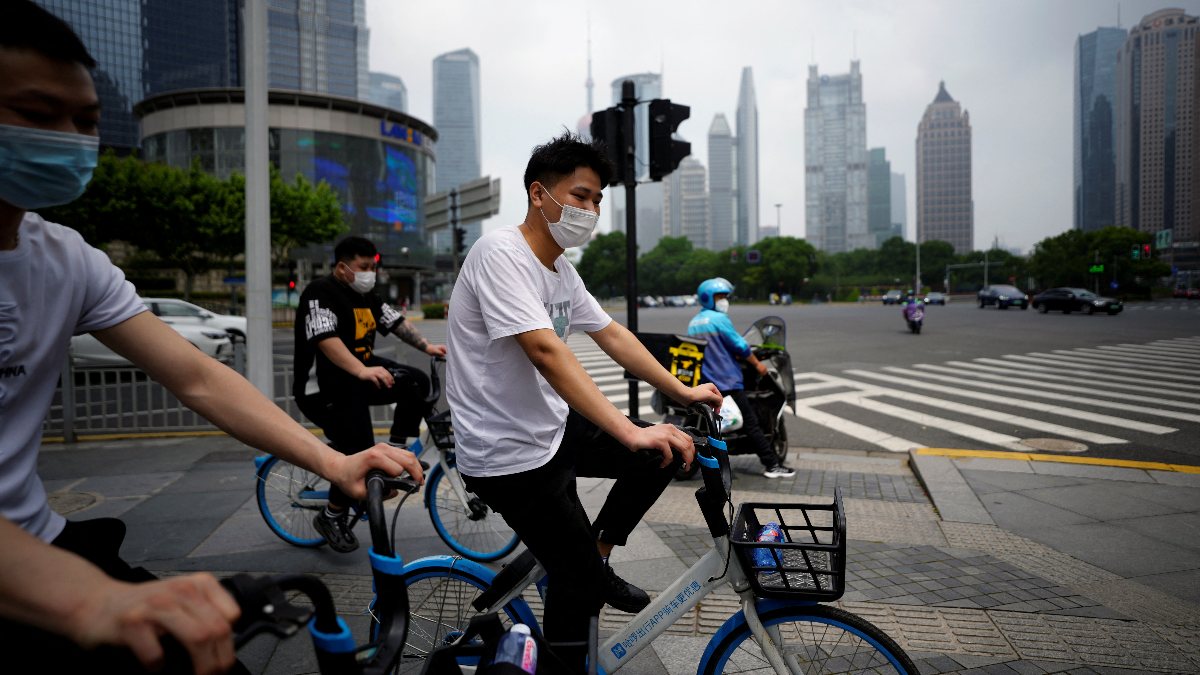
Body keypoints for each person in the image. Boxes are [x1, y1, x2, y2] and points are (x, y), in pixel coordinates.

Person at [0, 4, 424, 674]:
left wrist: (334, 463)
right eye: (36, 112)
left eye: (84, 120)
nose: (70, 138)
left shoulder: (67, 259)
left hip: (43, 538)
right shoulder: (322, 292)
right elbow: (330, 347)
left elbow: (196, 375)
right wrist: (89, 601)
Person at [445, 132, 722, 669]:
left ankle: (594, 553)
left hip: (549, 430)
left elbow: (612, 335)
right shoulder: (499, 253)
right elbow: (547, 351)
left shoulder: (561, 270)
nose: (591, 210)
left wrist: (682, 390)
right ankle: (573, 617)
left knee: (663, 452)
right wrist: (627, 427)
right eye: (580, 196)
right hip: (507, 457)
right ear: (538, 194)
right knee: (580, 590)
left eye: (597, 200)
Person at [293, 235, 446, 553]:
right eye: (363, 267)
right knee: (358, 451)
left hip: (357, 376)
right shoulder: (320, 293)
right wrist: (362, 370)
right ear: (342, 267)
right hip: (323, 387)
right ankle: (331, 515)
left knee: (415, 381)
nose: (369, 274)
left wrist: (427, 347)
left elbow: (397, 323)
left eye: (372, 267)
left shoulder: (367, 296)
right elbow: (325, 339)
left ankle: (395, 450)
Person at [688, 278, 796, 478]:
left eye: (725, 297)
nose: (724, 301)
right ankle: (772, 465)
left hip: (707, 383)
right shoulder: (718, 319)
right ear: (708, 298)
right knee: (751, 422)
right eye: (720, 297)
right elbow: (740, 346)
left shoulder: (695, 322)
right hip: (727, 380)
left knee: (715, 424)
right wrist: (757, 365)